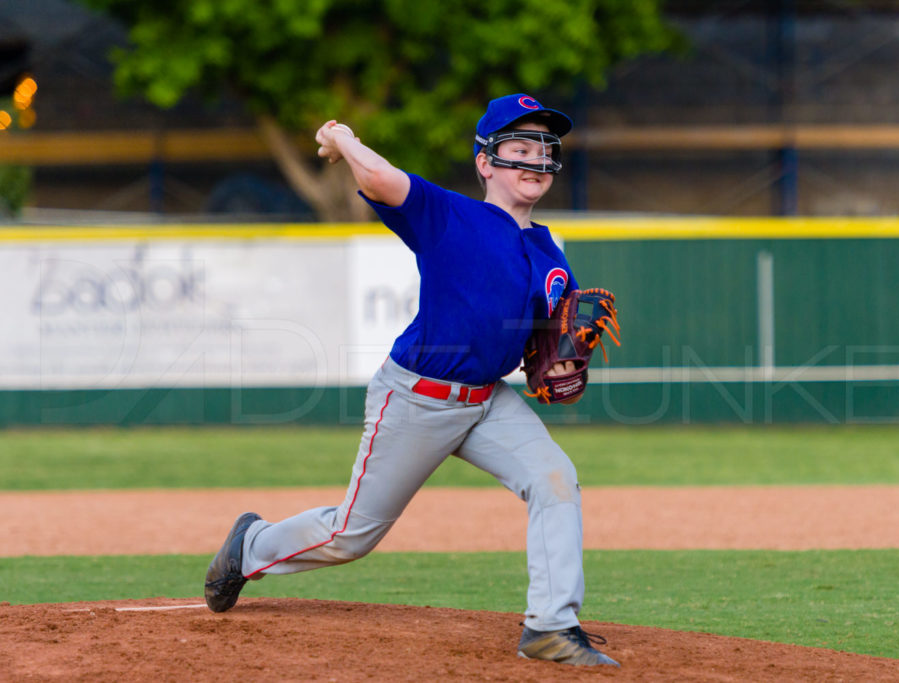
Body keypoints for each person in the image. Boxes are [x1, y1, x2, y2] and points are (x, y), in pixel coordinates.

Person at [203, 93, 618, 667]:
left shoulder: (551, 254)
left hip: (488, 403)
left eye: (542, 153)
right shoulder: (447, 215)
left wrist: (558, 364)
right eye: (517, 151)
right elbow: (378, 176)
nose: (533, 164)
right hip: (417, 396)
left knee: (556, 480)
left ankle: (551, 626)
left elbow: (536, 347)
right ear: (485, 162)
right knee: (351, 535)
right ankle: (251, 546)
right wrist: (342, 137)